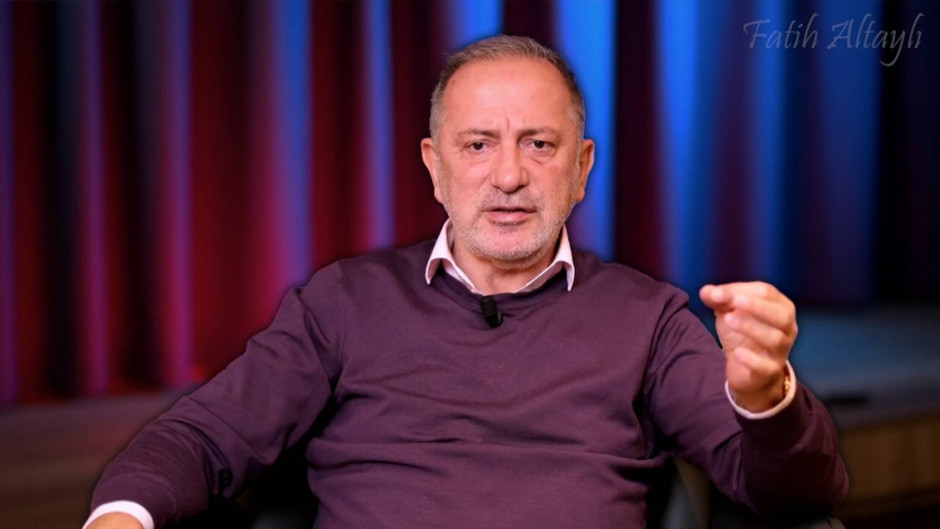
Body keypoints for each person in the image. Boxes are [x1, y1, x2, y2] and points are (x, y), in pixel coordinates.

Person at [84, 35, 848, 529]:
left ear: (582, 168)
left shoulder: (648, 318)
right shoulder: (342, 304)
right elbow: (199, 437)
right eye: (478, 145)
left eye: (539, 144)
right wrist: (119, 517)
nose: (509, 175)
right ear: (434, 165)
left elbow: (802, 495)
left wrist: (766, 399)